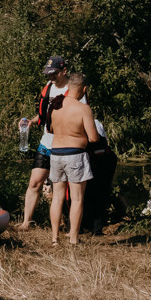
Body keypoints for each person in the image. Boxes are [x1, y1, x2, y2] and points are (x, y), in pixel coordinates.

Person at [45, 72, 101, 246]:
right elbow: (93, 138)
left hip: (56, 154)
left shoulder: (55, 106)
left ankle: (55, 239)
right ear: (84, 89)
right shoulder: (83, 109)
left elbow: (51, 129)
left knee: (57, 197)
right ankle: (74, 239)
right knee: (77, 199)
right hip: (75, 154)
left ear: (68, 86)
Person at [17, 56, 71, 233]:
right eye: (48, 74)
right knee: (35, 182)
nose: (51, 77)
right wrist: (31, 122)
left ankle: (65, 225)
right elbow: (42, 116)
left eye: (54, 74)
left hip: (65, 143)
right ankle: (27, 222)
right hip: (46, 142)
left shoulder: (74, 89)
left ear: (63, 71)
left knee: (61, 186)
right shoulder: (48, 88)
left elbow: (81, 115)